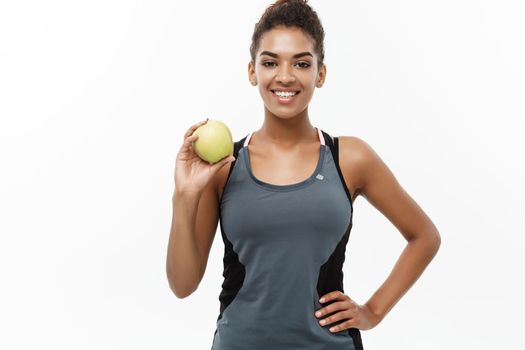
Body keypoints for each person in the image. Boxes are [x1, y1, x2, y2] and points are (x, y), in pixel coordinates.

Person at [166, 0, 441, 349]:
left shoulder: (350, 158)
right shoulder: (224, 165)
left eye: (301, 63)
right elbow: (182, 284)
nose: (284, 76)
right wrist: (184, 196)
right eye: (270, 62)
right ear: (252, 71)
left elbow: (424, 236)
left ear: (320, 74)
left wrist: (373, 310)